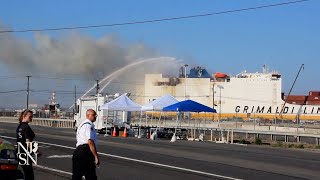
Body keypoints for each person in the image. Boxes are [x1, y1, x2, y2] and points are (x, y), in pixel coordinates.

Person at [72, 109, 100, 180]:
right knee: (90, 175)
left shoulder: (82, 124)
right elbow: (90, 141)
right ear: (88, 115)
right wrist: (96, 156)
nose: (95, 116)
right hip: (85, 151)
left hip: (78, 151)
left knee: (77, 175)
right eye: (94, 115)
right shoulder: (88, 126)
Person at [16, 109, 35, 180]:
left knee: (27, 174)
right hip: (25, 153)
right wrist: (36, 151)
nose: (31, 118)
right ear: (24, 116)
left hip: (19, 151)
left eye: (32, 117)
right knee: (30, 176)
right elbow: (28, 142)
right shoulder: (26, 127)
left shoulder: (19, 126)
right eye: (30, 117)